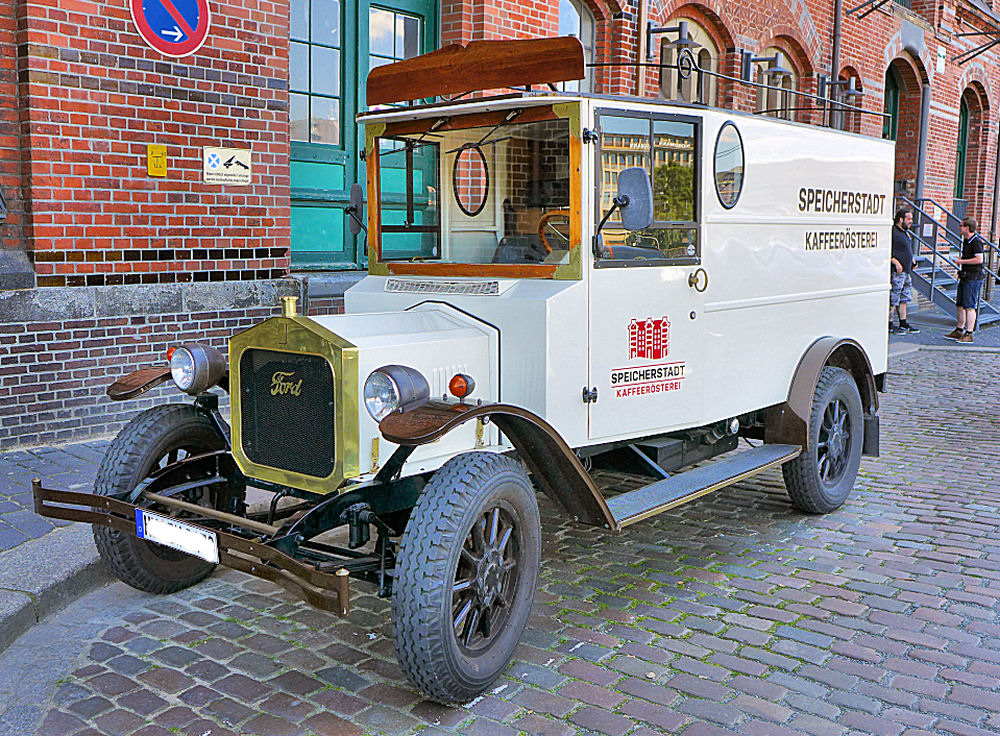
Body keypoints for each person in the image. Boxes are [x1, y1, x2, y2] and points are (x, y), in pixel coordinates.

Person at [944, 215, 985, 344]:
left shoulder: (976, 241)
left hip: (973, 277)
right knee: (960, 304)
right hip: (965, 275)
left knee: (969, 306)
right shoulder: (966, 241)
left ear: (967, 227)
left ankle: (969, 333)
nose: (959, 227)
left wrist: (961, 261)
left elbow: (979, 259)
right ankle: (959, 330)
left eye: (961, 225)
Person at [889, 208, 919, 334]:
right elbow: (887, 250)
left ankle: (903, 322)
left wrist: (912, 260)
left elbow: (907, 249)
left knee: (904, 297)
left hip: (906, 271)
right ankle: (889, 323)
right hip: (897, 271)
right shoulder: (893, 232)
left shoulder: (906, 233)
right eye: (909, 219)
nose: (911, 221)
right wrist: (894, 261)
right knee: (894, 297)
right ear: (901, 219)